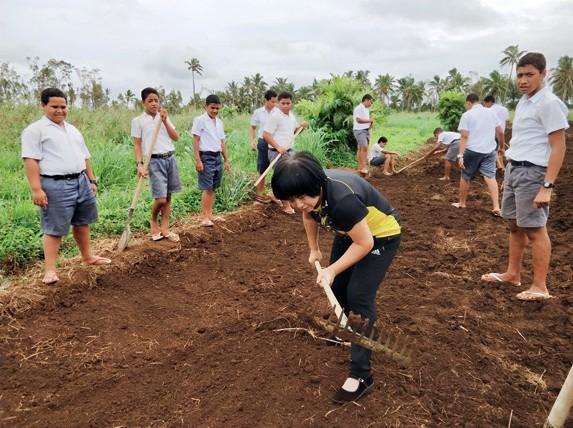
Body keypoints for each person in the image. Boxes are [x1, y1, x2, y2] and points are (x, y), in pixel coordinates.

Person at [271, 151, 401, 404]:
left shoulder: (342, 201)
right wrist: (314, 248)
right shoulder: (310, 194)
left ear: (316, 184)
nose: (297, 204)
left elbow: (365, 243)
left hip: (381, 236)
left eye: (301, 197)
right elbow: (308, 214)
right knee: (339, 287)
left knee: (358, 296)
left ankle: (362, 376)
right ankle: (342, 330)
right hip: (347, 230)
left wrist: (330, 269)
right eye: (290, 200)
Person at [481, 52, 568, 301]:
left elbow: (559, 147)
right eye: (520, 75)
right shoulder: (524, 101)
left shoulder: (548, 103)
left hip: (534, 172)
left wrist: (547, 186)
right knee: (515, 225)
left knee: (535, 229)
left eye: (529, 74)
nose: (523, 80)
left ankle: (540, 286)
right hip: (514, 168)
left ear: (543, 74)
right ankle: (512, 274)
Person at [21, 88, 111, 285]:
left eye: (63, 106)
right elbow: (31, 161)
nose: (60, 110)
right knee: (54, 228)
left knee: (82, 222)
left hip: (81, 181)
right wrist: (37, 189)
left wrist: (91, 180)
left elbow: (85, 157)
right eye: (54, 106)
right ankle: (50, 270)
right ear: (43, 106)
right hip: (55, 184)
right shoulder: (35, 130)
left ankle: (88, 257)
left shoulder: (72, 129)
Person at [131, 87, 181, 242]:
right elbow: (137, 145)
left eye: (156, 101)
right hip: (154, 160)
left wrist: (165, 121)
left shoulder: (163, 117)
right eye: (150, 101)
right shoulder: (138, 121)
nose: (154, 104)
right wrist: (139, 164)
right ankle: (153, 221)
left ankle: (165, 228)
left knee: (168, 196)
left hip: (169, 158)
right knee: (160, 198)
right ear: (143, 102)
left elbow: (176, 137)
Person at [453, 93, 505, 216]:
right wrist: (501, 147)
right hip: (489, 150)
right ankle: (496, 207)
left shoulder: (467, 115)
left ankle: (462, 203)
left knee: (465, 175)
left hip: (472, 150)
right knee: (490, 177)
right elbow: (501, 132)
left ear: (468, 102)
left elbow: (464, 136)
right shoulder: (491, 112)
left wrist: (460, 155)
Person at [263, 92, 306, 214]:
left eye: (288, 103)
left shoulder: (291, 116)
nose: (286, 106)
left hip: (289, 150)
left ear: (291, 103)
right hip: (275, 152)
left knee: (294, 174)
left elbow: (294, 132)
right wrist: (277, 147)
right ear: (278, 103)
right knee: (283, 177)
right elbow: (266, 135)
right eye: (283, 103)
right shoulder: (275, 116)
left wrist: (301, 128)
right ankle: (286, 205)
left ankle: (275, 194)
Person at [191, 94, 230, 227]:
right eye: (212, 108)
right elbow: (195, 140)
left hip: (217, 156)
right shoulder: (200, 120)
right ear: (206, 106)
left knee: (213, 187)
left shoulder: (219, 122)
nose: (214, 110)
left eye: (217, 108)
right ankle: (204, 217)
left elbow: (222, 142)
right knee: (207, 188)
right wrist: (198, 160)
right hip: (205, 156)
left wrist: (226, 160)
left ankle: (210, 215)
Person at [250, 90, 278, 204]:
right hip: (262, 142)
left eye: (276, 102)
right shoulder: (258, 112)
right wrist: (252, 140)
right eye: (272, 102)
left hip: (275, 143)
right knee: (262, 169)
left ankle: (275, 194)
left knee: (278, 169)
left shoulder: (278, 112)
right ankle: (259, 197)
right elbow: (253, 127)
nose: (274, 104)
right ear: (266, 100)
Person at [483, 95, 510, 170]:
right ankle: (502, 167)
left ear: (489, 102)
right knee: (499, 149)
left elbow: (487, 122)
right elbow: (507, 121)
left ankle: (499, 165)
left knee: (492, 149)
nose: (485, 106)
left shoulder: (490, 110)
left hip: (493, 132)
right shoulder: (504, 109)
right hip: (502, 131)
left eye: (485, 104)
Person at [353, 94, 374, 175]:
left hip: (365, 130)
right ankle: (364, 167)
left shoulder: (366, 109)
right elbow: (358, 120)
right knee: (364, 147)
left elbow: (367, 121)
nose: (371, 104)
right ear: (366, 100)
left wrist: (370, 125)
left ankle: (360, 167)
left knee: (360, 148)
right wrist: (369, 120)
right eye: (371, 102)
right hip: (359, 130)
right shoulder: (359, 108)